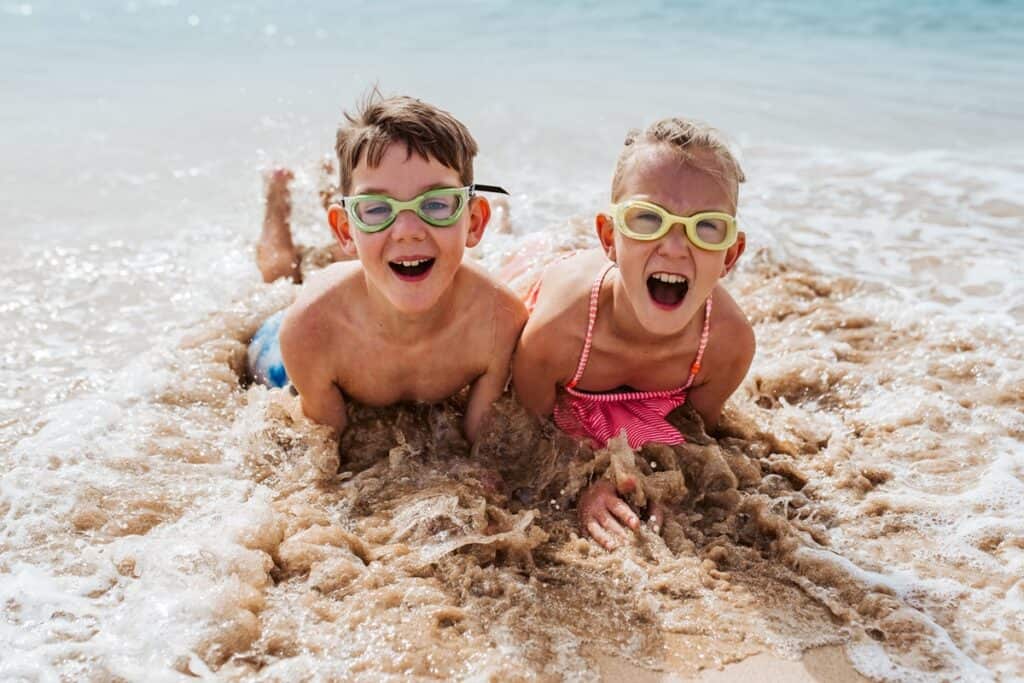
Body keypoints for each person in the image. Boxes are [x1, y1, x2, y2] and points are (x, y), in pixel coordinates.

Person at [511, 118, 755, 550]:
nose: (676, 246)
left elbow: (690, 438)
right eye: (647, 219)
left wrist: (656, 485)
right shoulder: (557, 330)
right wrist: (585, 483)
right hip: (550, 281)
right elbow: (524, 435)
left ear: (730, 256)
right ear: (609, 235)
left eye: (706, 227)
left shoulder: (725, 345)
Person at [249, 94, 527, 446]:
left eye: (437, 203)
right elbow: (325, 455)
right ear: (344, 230)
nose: (408, 229)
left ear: (474, 222)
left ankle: (347, 196)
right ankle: (278, 195)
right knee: (280, 275)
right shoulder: (311, 328)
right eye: (378, 208)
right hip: (294, 333)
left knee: (378, 247)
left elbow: (485, 446)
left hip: (368, 272)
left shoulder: (499, 321)